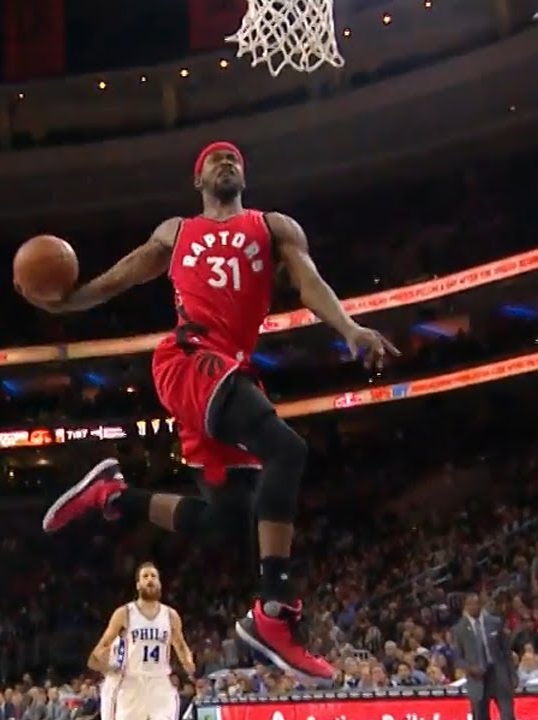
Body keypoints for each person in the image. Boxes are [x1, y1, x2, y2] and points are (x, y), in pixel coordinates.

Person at [33, 141, 397, 679]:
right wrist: (69, 301)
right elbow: (125, 275)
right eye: (214, 159)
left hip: (230, 370)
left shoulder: (273, 226)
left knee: (227, 521)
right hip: (189, 357)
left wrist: (349, 328)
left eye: (235, 159)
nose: (226, 162)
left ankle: (113, 494)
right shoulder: (176, 231)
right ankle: (272, 612)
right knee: (287, 450)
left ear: (243, 176)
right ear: (197, 178)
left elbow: (310, 282)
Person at [88, 563, 193, 720]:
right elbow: (100, 649)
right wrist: (106, 667)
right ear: (138, 585)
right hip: (132, 681)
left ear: (160, 583)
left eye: (153, 576)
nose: (150, 579)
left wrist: (188, 663)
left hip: (159, 681)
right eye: (145, 576)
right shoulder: (125, 613)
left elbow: (180, 644)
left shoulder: (170, 615)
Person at [450, 593, 516, 720]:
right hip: (477, 678)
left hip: (498, 674)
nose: (473, 607)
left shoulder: (495, 622)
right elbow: (458, 659)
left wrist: (512, 675)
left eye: (476, 603)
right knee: (481, 716)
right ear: (465, 607)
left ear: (481, 605)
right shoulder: (458, 629)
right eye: (470, 604)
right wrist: (470, 668)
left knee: (508, 715)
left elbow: (506, 651)